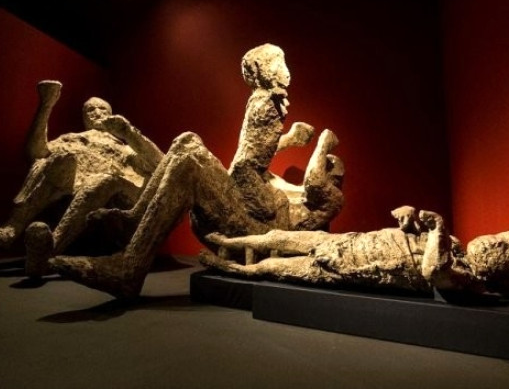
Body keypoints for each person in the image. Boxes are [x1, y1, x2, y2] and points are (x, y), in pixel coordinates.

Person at [51, 43, 345, 299]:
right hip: (255, 211)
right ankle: (135, 218)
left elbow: (267, 174)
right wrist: (289, 142)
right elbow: (252, 163)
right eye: (276, 63)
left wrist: (322, 143)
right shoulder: (269, 117)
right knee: (188, 140)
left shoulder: (326, 199)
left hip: (260, 228)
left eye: (329, 168)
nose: (283, 69)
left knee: (191, 159)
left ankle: (129, 268)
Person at [0, 80, 163, 277]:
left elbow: (161, 165)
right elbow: (36, 152)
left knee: (101, 181)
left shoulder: (124, 147)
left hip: (115, 194)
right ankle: (11, 229)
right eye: (90, 109)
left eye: (102, 109)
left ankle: (50, 250)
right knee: (56, 159)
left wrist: (128, 133)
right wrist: (46, 105)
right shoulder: (71, 139)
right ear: (83, 116)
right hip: (74, 188)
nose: (97, 112)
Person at [199, 206, 509, 298]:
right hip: (352, 242)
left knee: (273, 268)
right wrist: (410, 218)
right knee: (279, 237)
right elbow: (415, 234)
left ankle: (232, 269)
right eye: (501, 236)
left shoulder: (466, 281)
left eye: (504, 244)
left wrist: (438, 225)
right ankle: (227, 242)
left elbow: (433, 272)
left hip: (352, 268)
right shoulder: (454, 245)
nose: (492, 239)